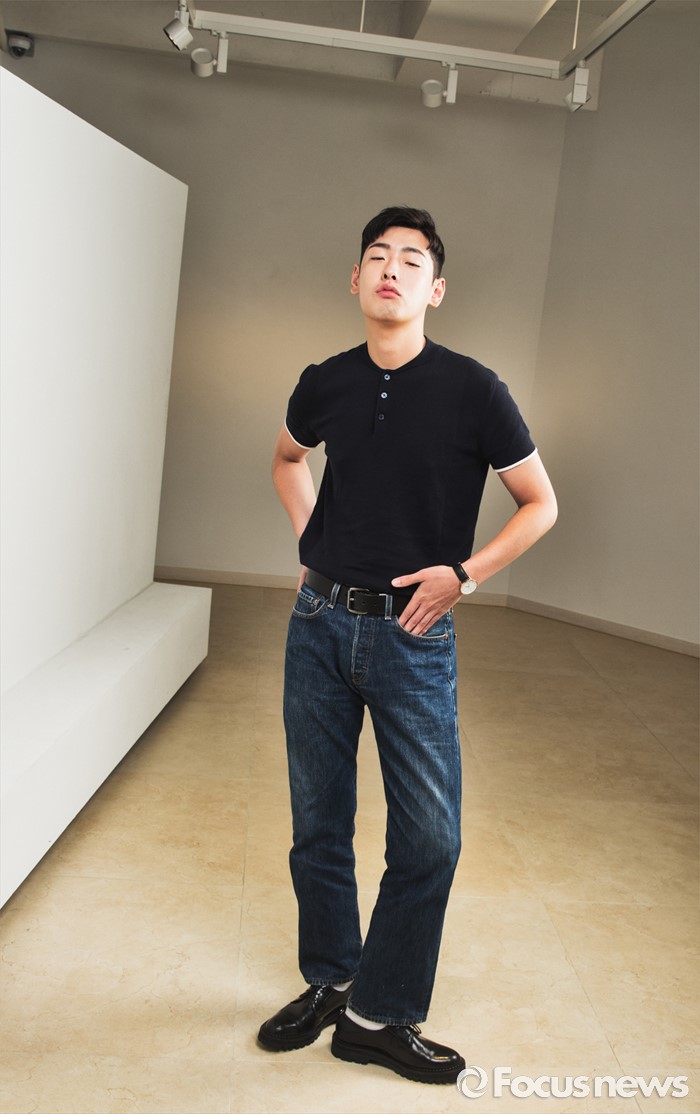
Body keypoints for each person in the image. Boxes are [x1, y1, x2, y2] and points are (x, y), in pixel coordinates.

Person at [259, 206, 557, 1085]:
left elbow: (540, 502)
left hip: (414, 636)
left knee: (429, 840)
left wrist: (464, 575)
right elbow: (286, 458)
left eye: (412, 260)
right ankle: (330, 981)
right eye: (378, 257)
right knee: (318, 823)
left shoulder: (474, 390)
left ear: (436, 289)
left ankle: (378, 1015)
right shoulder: (325, 382)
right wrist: (314, 542)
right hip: (318, 626)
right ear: (356, 279)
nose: (392, 269)